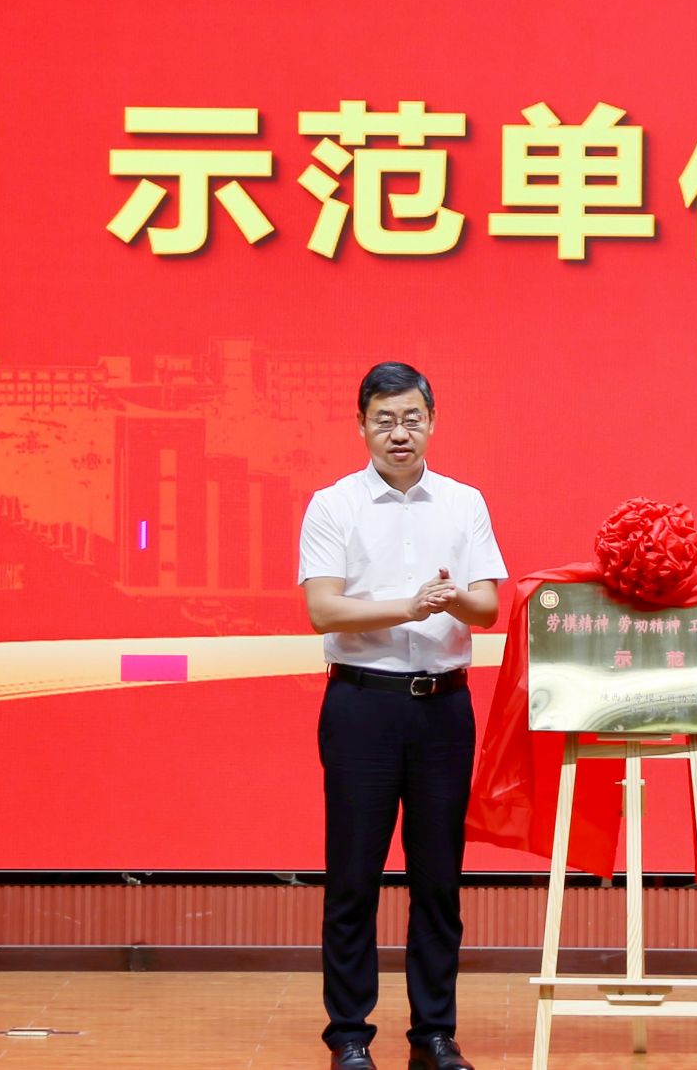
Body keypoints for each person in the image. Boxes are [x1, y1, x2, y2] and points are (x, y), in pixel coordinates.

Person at [299, 362, 506, 1070]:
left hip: (443, 708)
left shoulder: (463, 502)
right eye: (384, 419)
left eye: (412, 418)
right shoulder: (334, 505)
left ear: (432, 422)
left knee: (438, 880)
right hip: (363, 705)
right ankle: (349, 1035)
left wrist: (451, 599)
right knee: (354, 876)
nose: (399, 432)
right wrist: (408, 606)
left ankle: (434, 1035)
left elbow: (488, 606)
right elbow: (323, 608)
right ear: (361, 425)